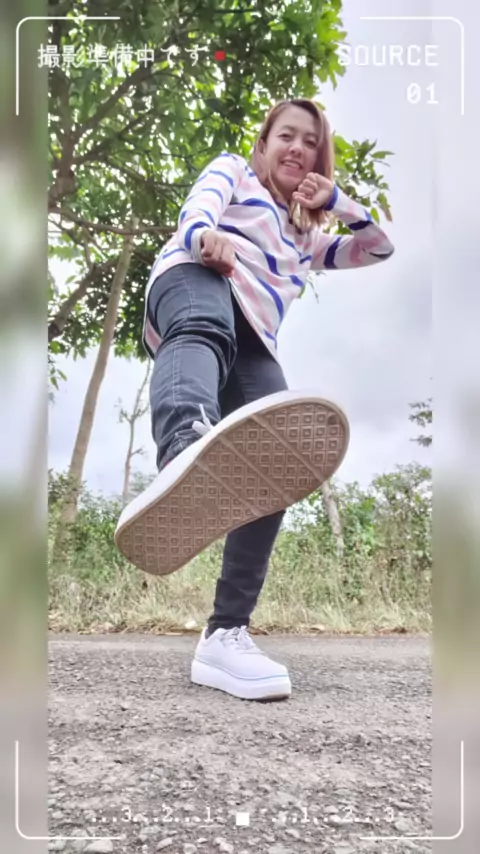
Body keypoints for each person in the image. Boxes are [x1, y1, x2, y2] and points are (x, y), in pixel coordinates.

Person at [115, 98, 394, 702]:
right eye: (286, 136)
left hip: (253, 340)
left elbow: (377, 247)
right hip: (194, 278)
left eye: (311, 143)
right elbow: (199, 207)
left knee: (278, 457)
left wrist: (338, 203)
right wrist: (205, 235)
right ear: (263, 146)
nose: (297, 148)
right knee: (206, 321)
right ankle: (183, 447)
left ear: (320, 161)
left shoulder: (308, 239)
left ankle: (226, 634)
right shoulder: (236, 172)